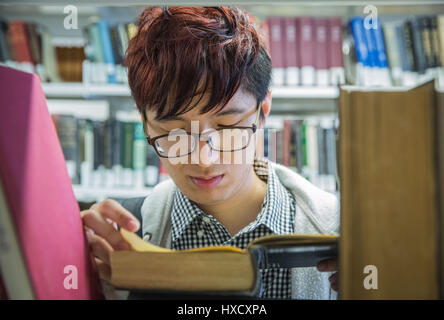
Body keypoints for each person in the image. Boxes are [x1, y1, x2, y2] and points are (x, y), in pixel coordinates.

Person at [81, 6, 339, 299]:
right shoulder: (118, 240)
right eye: (175, 132)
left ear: (262, 113)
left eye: (227, 126)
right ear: (145, 124)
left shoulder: (343, 234)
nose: (205, 159)